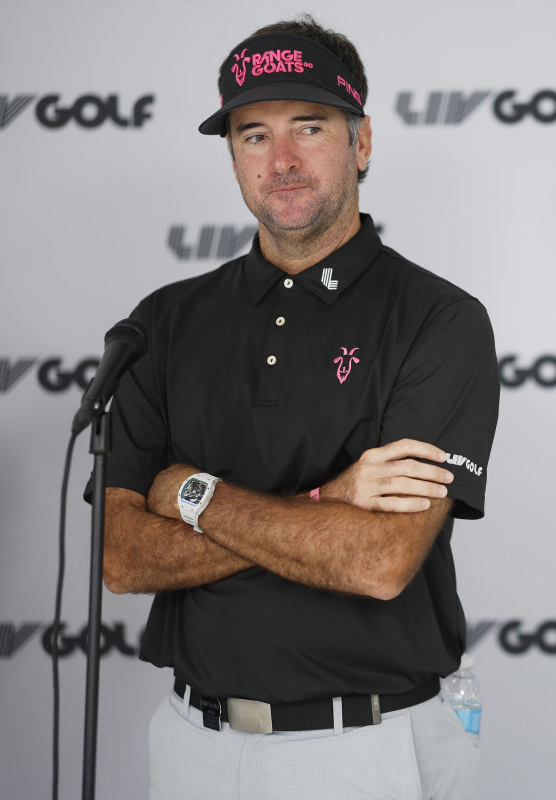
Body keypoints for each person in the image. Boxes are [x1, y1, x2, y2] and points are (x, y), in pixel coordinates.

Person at [101, 14, 499, 799]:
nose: (280, 160)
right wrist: (329, 500)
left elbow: (378, 563)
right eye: (253, 135)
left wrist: (191, 495)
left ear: (362, 141)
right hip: (192, 741)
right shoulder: (163, 323)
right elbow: (121, 557)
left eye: (308, 127)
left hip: (364, 747)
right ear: (233, 157)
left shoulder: (439, 319)